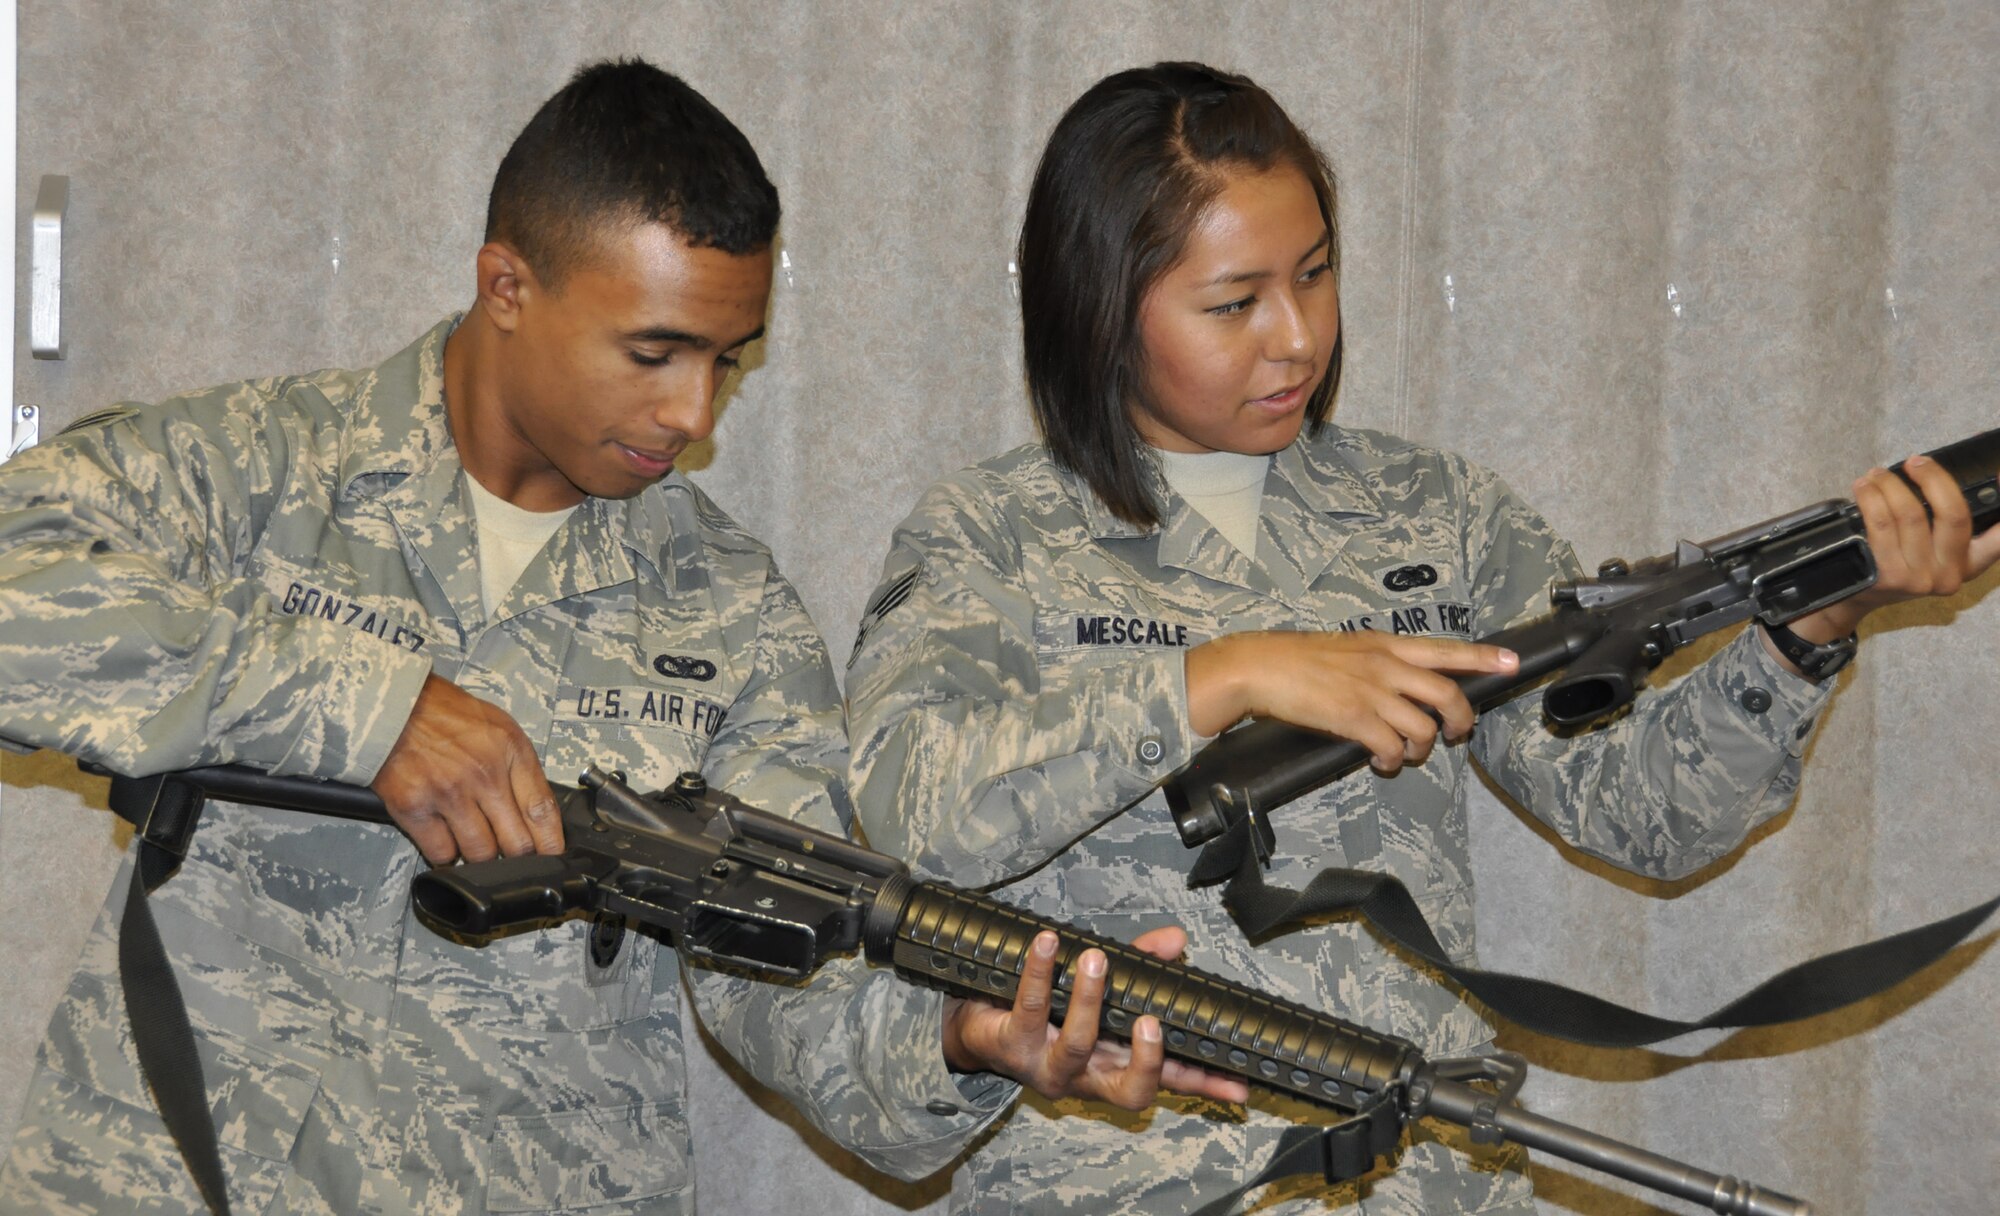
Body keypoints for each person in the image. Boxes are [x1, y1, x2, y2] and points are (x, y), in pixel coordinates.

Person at [0, 59, 1235, 1216]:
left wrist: (963, 1041)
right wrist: (366, 710)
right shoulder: (262, 471)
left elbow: (782, 979)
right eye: (653, 352)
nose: (692, 413)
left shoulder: (731, 612)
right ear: (506, 287)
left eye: (725, 361)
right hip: (163, 1174)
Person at [844, 61, 2000, 1216]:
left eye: (1314, 274)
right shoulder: (986, 536)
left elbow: (1638, 809)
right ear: (1099, 304)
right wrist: (1214, 677)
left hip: (1429, 1178)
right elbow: (906, 805)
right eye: (1233, 302)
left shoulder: (1434, 512)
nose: (1295, 338)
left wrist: (1805, 627)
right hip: (1132, 1181)